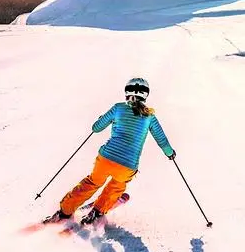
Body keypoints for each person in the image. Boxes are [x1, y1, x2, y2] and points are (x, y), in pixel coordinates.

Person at [45, 77, 176, 226]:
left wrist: (102, 119)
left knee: (92, 182)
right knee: (117, 186)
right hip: (127, 165)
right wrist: (169, 153)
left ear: (126, 92)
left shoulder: (118, 108)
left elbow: (96, 128)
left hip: (106, 158)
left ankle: (65, 211)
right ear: (145, 95)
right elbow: (162, 140)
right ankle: (98, 210)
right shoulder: (149, 116)